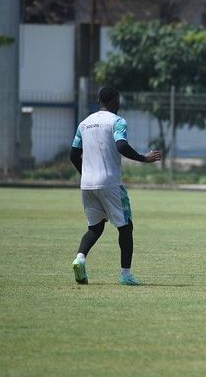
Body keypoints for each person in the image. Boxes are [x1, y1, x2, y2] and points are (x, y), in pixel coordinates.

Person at [69, 86, 162, 286]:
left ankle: (80, 258)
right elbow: (121, 146)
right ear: (114, 101)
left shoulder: (84, 124)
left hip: (87, 185)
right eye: (118, 100)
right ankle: (126, 275)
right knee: (126, 227)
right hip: (110, 183)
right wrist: (143, 159)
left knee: (95, 228)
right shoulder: (117, 121)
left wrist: (85, 174)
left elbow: (73, 154)